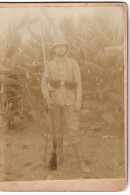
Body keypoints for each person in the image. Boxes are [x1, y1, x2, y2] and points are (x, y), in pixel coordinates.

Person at [41, 36, 90, 173]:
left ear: (66, 49)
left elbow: (79, 84)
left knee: (74, 130)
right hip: (55, 102)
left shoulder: (73, 63)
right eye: (58, 47)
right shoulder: (49, 65)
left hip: (70, 102)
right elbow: (44, 84)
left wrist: (78, 101)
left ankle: (81, 160)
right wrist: (47, 96)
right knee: (57, 132)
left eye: (63, 46)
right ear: (54, 49)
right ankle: (59, 157)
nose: (60, 49)